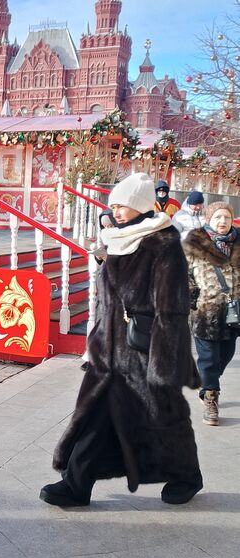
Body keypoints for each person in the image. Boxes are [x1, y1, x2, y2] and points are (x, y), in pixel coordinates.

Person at [41, 171, 203, 509]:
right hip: (108, 350)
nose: (115, 211)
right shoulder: (117, 240)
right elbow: (108, 301)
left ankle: (187, 476)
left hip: (146, 350)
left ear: (141, 205)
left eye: (123, 206)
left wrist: (164, 362)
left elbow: (172, 307)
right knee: (95, 415)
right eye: (113, 205)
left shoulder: (162, 243)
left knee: (165, 415)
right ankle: (76, 484)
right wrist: (96, 340)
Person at [183, 202, 239, 426]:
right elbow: (184, 274)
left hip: (233, 313)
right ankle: (211, 399)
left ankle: (207, 383)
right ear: (209, 219)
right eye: (217, 217)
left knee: (225, 355)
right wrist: (191, 300)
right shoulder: (194, 243)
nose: (222, 221)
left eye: (226, 217)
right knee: (209, 358)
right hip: (205, 312)